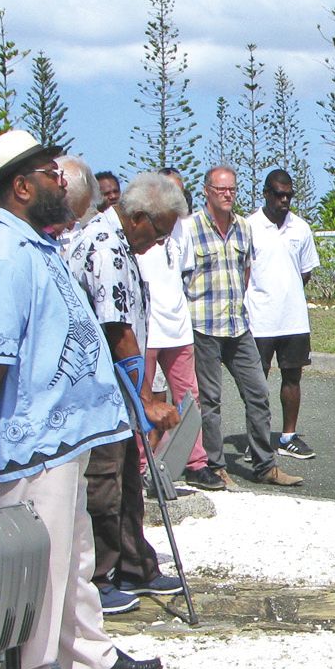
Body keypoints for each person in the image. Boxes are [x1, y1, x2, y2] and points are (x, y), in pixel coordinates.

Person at [0, 130, 163, 669]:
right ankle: (33, 666)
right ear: (21, 187)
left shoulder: (35, 244)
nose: (61, 182)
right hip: (35, 431)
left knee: (73, 550)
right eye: (50, 174)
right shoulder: (4, 254)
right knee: (41, 555)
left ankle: (87, 652)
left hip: (66, 428)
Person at [65, 172, 186, 613]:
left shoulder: (122, 239)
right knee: (105, 481)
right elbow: (117, 332)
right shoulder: (106, 247)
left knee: (130, 474)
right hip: (98, 387)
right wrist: (148, 399)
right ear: (137, 217)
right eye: (157, 232)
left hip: (117, 387)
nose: (157, 243)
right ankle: (100, 576)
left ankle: (136, 564)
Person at [184, 166, 302, 488]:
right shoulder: (189, 229)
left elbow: (245, 272)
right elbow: (181, 279)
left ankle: (265, 465)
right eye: (221, 189)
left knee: (258, 392)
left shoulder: (242, 228)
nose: (227, 195)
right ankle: (215, 465)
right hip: (204, 327)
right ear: (207, 190)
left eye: (232, 190)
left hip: (237, 325)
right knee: (210, 401)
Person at [246, 169, 322, 460]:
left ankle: (288, 437)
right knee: (257, 382)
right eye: (279, 194)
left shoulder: (300, 228)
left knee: (293, 378)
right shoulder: (249, 226)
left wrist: (286, 294)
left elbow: (305, 272)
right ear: (266, 193)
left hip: (293, 320)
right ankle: (256, 439)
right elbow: (244, 272)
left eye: (289, 194)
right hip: (260, 319)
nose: (285, 200)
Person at [139, 168, 207, 485]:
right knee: (144, 397)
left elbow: (185, 272)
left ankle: (195, 461)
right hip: (148, 326)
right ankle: (140, 463)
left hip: (178, 324)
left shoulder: (185, 229)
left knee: (188, 395)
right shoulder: (142, 226)